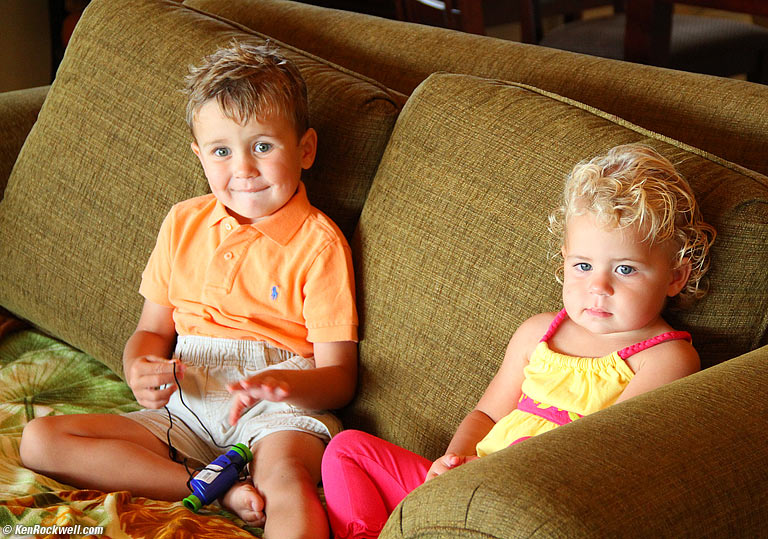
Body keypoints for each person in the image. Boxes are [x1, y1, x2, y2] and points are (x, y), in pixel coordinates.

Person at [20, 42, 358, 539]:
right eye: (222, 151)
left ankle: (247, 487)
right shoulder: (183, 222)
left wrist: (282, 384)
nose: (242, 168)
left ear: (304, 149)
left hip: (278, 409)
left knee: (284, 480)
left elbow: (340, 377)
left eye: (262, 146)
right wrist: (139, 368)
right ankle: (210, 487)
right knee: (39, 440)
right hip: (187, 406)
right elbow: (150, 333)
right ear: (200, 155)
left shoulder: (319, 243)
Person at [320, 143, 716, 539]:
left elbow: (600, 456)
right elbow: (486, 417)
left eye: (626, 269)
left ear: (675, 277)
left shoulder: (665, 358)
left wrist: (487, 484)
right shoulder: (538, 332)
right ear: (563, 260)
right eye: (583, 265)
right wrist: (453, 461)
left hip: (531, 508)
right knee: (347, 449)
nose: (598, 287)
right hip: (467, 484)